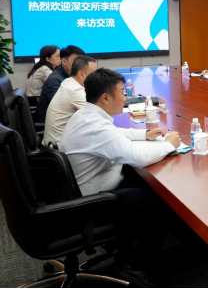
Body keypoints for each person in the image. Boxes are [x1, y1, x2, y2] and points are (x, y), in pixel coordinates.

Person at [59, 68, 181, 284]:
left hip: (81, 191)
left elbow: (115, 133)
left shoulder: (87, 114)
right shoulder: (95, 126)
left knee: (143, 182)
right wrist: (169, 145)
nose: (125, 98)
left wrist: (144, 134)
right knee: (162, 202)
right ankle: (135, 266)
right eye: (122, 93)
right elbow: (139, 158)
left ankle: (124, 244)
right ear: (105, 98)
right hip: (93, 203)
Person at [42, 55, 98, 147]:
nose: (97, 77)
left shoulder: (69, 82)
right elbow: (98, 116)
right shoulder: (75, 91)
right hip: (58, 147)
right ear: (81, 74)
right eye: (94, 74)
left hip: (62, 141)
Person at [34, 45, 85, 123]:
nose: (80, 65)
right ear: (64, 61)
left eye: (82, 61)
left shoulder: (67, 76)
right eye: (76, 61)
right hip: (49, 123)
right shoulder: (55, 80)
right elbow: (62, 107)